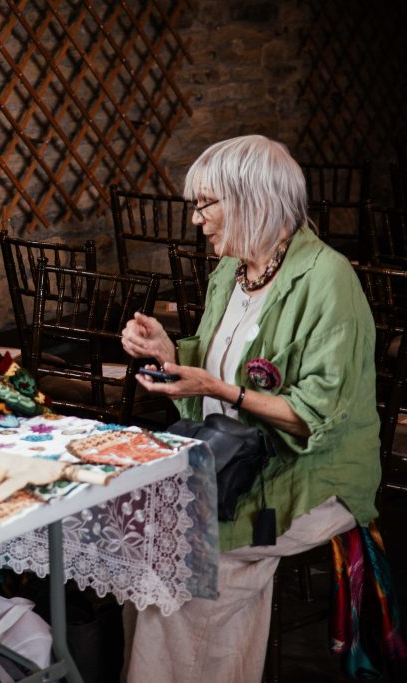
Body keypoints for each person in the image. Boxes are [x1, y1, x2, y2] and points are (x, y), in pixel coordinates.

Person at [120, 135, 380, 682]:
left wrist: (218, 389)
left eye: (206, 204)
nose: (197, 220)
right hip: (234, 463)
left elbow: (314, 415)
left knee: (197, 566)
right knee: (144, 548)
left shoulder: (327, 281)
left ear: (251, 199)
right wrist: (170, 353)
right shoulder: (233, 273)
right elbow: (216, 365)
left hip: (310, 476)